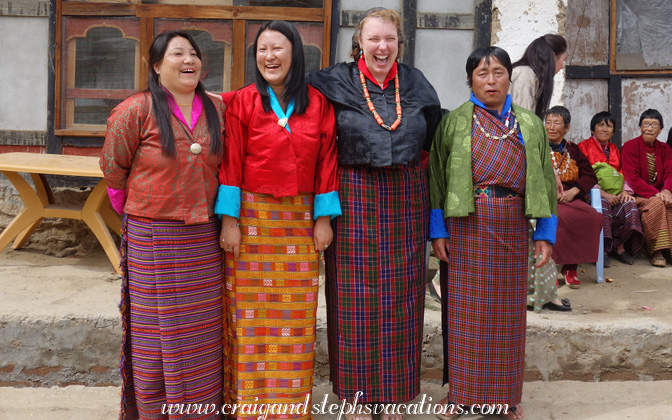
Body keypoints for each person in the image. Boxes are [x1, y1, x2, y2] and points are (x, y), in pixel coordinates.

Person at [306, 8, 443, 420]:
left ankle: (394, 397)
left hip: (405, 196)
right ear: (359, 42)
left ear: (400, 44)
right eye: (373, 39)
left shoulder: (416, 83)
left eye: (390, 39)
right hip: (352, 195)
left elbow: (437, 137)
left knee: (402, 296)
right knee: (351, 296)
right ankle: (355, 396)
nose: (382, 47)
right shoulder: (330, 81)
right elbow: (288, 107)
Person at [215, 20, 340, 420]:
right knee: (248, 315)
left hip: (299, 222)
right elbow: (231, 163)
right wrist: (229, 221)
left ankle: (289, 406)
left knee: (296, 315)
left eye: (278, 48)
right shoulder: (243, 102)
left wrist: (323, 219)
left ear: (295, 53)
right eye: (262, 50)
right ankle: (249, 404)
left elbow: (327, 164)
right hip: (253, 219)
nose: (269, 57)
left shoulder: (318, 103)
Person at [100, 31, 225, 420]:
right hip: (152, 236)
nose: (188, 60)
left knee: (200, 331)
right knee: (156, 330)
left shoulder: (219, 109)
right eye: (177, 54)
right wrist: (136, 212)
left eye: (193, 54)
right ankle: (154, 410)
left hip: (203, 238)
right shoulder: (135, 110)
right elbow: (112, 167)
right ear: (157, 66)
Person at [429, 46, 557, 420]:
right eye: (482, 74)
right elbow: (437, 178)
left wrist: (545, 234)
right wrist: (438, 231)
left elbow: (546, 183)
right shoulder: (453, 122)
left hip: (514, 225)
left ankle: (505, 399)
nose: (491, 80)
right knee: (465, 315)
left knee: (507, 317)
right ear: (469, 79)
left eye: (498, 72)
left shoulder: (530, 124)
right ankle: (461, 397)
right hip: (467, 226)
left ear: (508, 78)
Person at [510, 33, 569, 312]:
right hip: (514, 166)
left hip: (526, 164)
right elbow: (523, 130)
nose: (560, 68)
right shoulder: (523, 76)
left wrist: (552, 173)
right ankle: (543, 293)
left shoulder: (530, 77)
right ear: (552, 57)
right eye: (562, 61)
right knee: (533, 226)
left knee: (535, 229)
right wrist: (542, 174)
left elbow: (535, 134)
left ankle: (543, 293)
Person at [545, 106, 603, 288]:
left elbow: (589, 175)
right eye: (548, 122)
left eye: (557, 123)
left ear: (567, 128)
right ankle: (549, 268)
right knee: (558, 218)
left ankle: (570, 267)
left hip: (570, 197)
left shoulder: (573, 149)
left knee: (592, 216)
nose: (551, 127)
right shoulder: (537, 147)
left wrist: (575, 190)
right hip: (546, 197)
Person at [578, 112, 644, 265]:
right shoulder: (583, 147)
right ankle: (603, 249)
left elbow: (624, 172)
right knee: (603, 204)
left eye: (609, 126)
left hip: (616, 194)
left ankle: (619, 247)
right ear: (592, 129)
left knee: (630, 206)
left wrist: (624, 192)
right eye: (600, 125)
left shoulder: (615, 149)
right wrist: (602, 193)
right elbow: (582, 174)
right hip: (592, 193)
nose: (605, 129)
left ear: (613, 131)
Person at [621, 109, 672, 267]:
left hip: (660, 193)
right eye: (646, 124)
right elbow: (633, 179)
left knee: (668, 203)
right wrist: (657, 194)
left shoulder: (665, 149)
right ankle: (656, 251)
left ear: (661, 129)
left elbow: (670, 173)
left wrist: (667, 190)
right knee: (657, 204)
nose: (650, 128)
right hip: (638, 195)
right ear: (640, 127)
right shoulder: (630, 147)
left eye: (654, 124)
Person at [510, 34, 567, 119]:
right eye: (563, 60)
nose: (562, 66)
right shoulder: (524, 76)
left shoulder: (530, 75)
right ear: (554, 56)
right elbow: (524, 121)